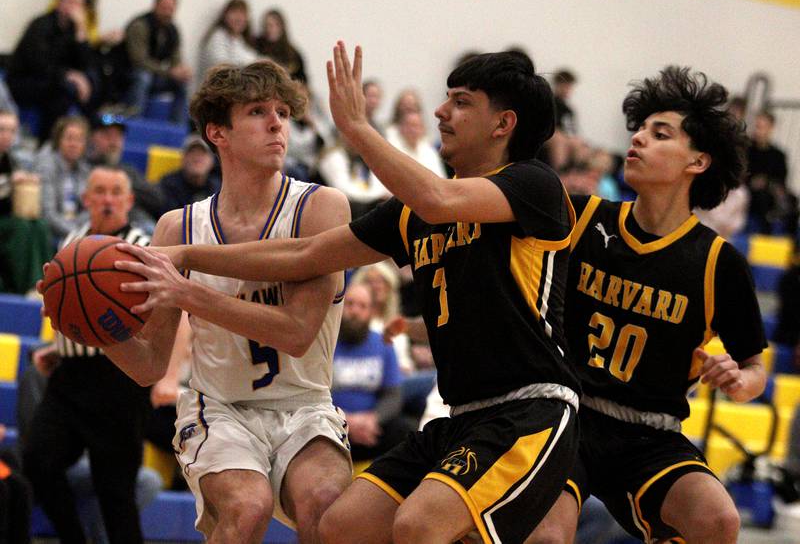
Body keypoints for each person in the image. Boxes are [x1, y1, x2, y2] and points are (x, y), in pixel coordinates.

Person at [127, 43, 581, 544]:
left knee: (420, 525)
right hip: (460, 418)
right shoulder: (411, 216)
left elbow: (438, 197)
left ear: (503, 124)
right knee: (343, 526)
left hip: (529, 410)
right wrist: (188, 258)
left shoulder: (534, 185)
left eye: (461, 101)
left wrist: (359, 129)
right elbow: (302, 256)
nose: (439, 111)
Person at [91, 59, 353, 543]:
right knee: (247, 509)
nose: (277, 123)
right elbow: (149, 365)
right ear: (218, 133)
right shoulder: (178, 226)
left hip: (307, 404)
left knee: (327, 508)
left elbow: (296, 333)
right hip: (220, 408)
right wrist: (93, 328)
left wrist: (190, 291)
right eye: (257, 111)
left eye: (282, 111)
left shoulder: (321, 207)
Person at [526, 67, 768, 544]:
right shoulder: (582, 216)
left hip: (650, 433)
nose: (637, 139)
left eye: (659, 134)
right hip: (566, 416)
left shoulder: (718, 263)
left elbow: (754, 365)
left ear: (697, 162)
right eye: (638, 129)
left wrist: (740, 382)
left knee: (718, 521)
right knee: (546, 536)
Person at [24, 166, 162, 544]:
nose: (107, 199)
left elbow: (162, 318)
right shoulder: (71, 243)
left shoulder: (143, 247)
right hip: (70, 378)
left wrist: (162, 373)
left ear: (129, 200)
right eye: (99, 191)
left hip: (120, 380)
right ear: (86, 199)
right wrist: (59, 347)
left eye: (116, 192)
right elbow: (74, 312)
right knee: (37, 459)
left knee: (116, 495)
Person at [332, 283, 412, 463]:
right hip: (332, 424)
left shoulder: (383, 343)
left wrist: (373, 419)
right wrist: (347, 421)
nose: (355, 311)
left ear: (371, 311)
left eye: (362, 306)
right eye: (350, 304)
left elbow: (393, 395)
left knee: (406, 430)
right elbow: (316, 394)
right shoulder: (327, 344)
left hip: (372, 428)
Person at [6, 0, 95, 141]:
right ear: (59, 3)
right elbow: (39, 64)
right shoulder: (41, 25)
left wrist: (81, 31)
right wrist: (69, 74)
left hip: (52, 82)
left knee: (90, 85)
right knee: (60, 93)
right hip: (23, 81)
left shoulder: (74, 31)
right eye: (71, 2)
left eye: (79, 4)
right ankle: (46, 143)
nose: (74, 7)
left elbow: (85, 64)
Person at [0, 109, 51, 294]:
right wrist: (10, 182)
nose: (7, 136)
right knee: (20, 227)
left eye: (12, 131)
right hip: (7, 223)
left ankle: (48, 283)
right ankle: (29, 286)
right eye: (2, 130)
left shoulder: (12, 160)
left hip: (8, 221)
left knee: (38, 225)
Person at [86, 113, 165, 229]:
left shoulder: (128, 171)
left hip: (136, 225)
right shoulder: (84, 168)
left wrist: (124, 185)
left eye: (118, 136)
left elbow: (158, 199)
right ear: (93, 137)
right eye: (108, 136)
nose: (113, 142)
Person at [123, 0, 191, 124]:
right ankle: (134, 122)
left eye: (170, 9)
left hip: (157, 75)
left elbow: (175, 57)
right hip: (129, 73)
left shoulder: (172, 31)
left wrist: (181, 71)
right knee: (143, 78)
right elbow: (139, 60)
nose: (167, 12)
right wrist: (169, 72)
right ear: (155, 6)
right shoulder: (140, 25)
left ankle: (178, 127)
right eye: (164, 8)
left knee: (182, 83)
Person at [36, 115, 92, 243]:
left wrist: (81, 230)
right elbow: (47, 214)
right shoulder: (45, 166)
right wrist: (76, 233)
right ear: (58, 140)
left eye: (79, 140)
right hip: (51, 233)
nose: (74, 144)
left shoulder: (85, 170)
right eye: (69, 138)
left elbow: (91, 209)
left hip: (78, 232)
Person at [197, 0, 258, 83]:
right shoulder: (217, 38)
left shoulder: (241, 40)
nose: (238, 18)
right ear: (225, 16)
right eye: (234, 12)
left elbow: (253, 59)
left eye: (242, 14)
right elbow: (221, 67)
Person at [158, 136, 220, 213]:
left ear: (212, 161)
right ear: (183, 158)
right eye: (192, 153)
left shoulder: (217, 188)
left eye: (202, 154)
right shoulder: (168, 185)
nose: (197, 158)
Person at [254, 9, 307, 82]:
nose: (271, 29)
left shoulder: (293, 53)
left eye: (275, 25)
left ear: (282, 26)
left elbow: (303, 81)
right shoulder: (256, 45)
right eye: (268, 25)